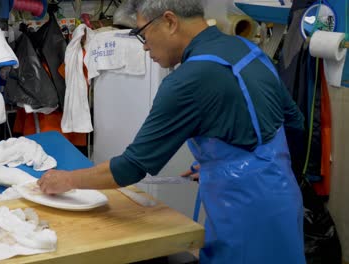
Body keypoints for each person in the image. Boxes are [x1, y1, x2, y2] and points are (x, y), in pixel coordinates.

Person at [38, 0, 306, 263]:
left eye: (143, 34)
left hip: (244, 214)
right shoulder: (247, 48)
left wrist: (67, 180)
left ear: (169, 21)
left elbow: (130, 167)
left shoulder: (187, 80)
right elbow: (293, 122)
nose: (144, 48)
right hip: (283, 199)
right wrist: (230, 164)